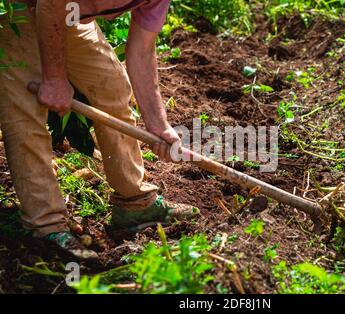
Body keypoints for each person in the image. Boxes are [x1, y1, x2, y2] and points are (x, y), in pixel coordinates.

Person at [0, 0, 199, 259]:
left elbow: (141, 50)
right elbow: (49, 5)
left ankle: (134, 203)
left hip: (67, 13)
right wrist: (55, 78)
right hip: (21, 7)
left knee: (111, 87)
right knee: (25, 111)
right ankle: (46, 226)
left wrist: (158, 124)